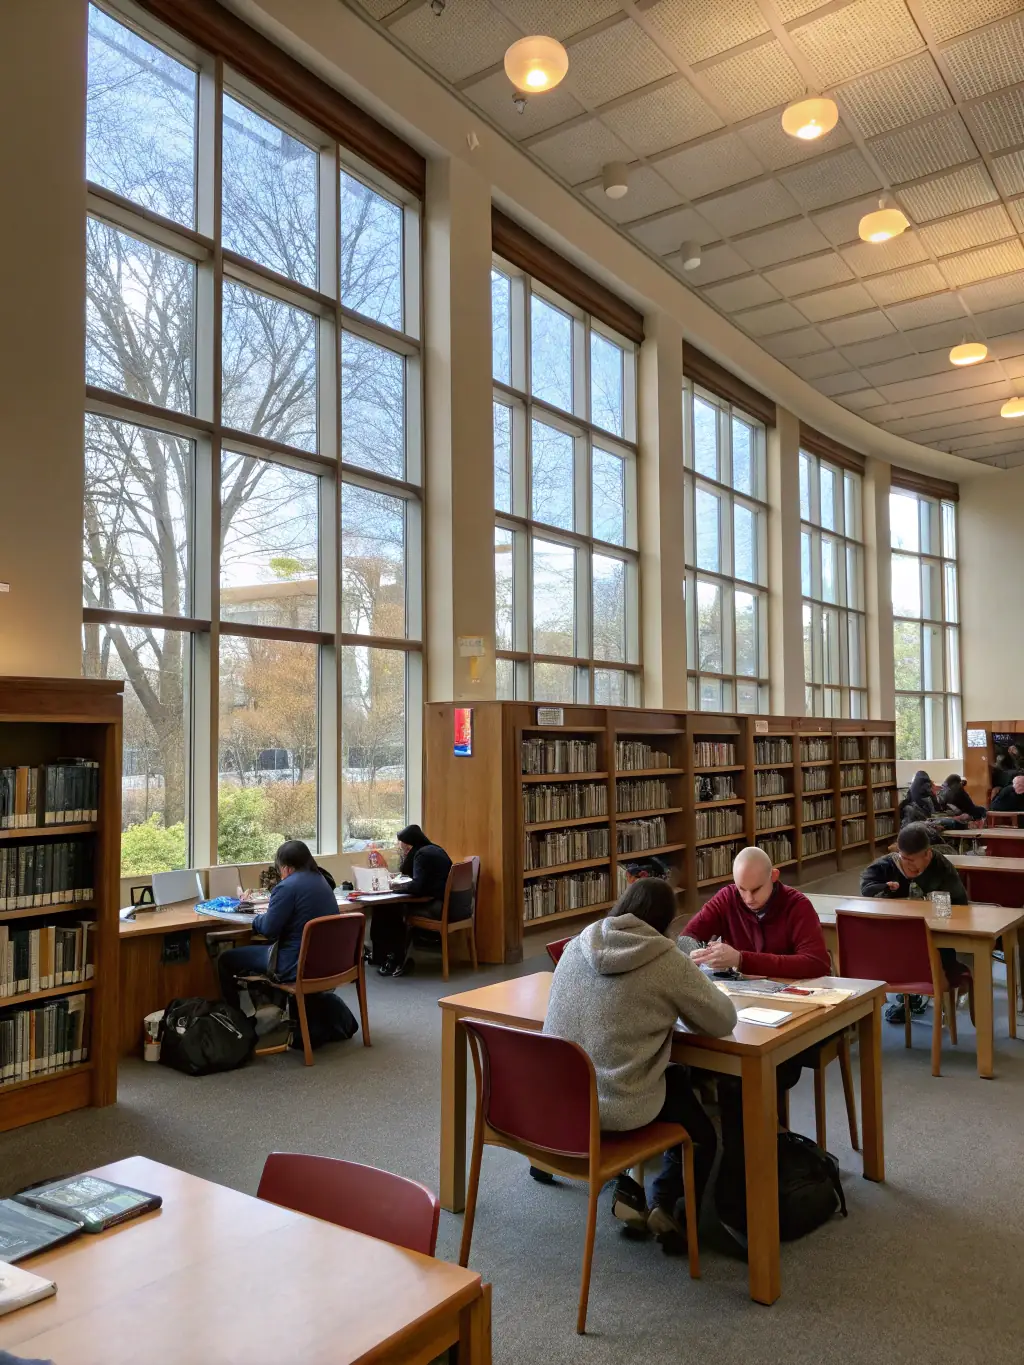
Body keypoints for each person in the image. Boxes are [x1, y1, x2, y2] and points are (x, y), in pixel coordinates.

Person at [543, 878, 737, 1251]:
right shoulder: (665, 959)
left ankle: (636, 1189)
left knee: (671, 1078)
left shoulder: (578, 942)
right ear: (666, 923)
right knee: (700, 1130)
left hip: (560, 1104)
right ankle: (669, 1207)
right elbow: (722, 1020)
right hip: (617, 1107)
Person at [683, 847, 832, 1168]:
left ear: (774, 877)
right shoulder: (727, 898)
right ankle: (713, 1163)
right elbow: (688, 937)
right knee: (689, 1067)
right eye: (741, 889)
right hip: (740, 1012)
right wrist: (694, 952)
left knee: (738, 1079)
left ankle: (745, 1171)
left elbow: (816, 962)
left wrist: (741, 958)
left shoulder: (797, 906)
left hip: (791, 1019)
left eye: (756, 889)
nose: (747, 898)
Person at [860, 822, 968, 1025]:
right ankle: (906, 996)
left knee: (940, 957)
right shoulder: (887, 865)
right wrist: (885, 888)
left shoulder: (941, 866)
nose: (908, 865)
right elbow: (866, 889)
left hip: (934, 941)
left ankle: (924, 994)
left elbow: (960, 904)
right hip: (894, 943)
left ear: (927, 854)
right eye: (904, 858)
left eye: (913, 860)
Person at [218, 840, 339, 1009]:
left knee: (226, 959)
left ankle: (237, 1023)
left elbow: (268, 929)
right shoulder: (322, 881)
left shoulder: (287, 886)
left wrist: (256, 919)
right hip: (329, 962)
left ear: (286, 868)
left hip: (295, 965)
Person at [370, 824, 454, 978]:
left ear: (409, 845)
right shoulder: (435, 849)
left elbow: (417, 887)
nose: (402, 848)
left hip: (436, 907)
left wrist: (395, 888)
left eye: (403, 845)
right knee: (391, 908)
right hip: (450, 904)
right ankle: (390, 955)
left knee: (389, 909)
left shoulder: (421, 855)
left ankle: (392, 956)